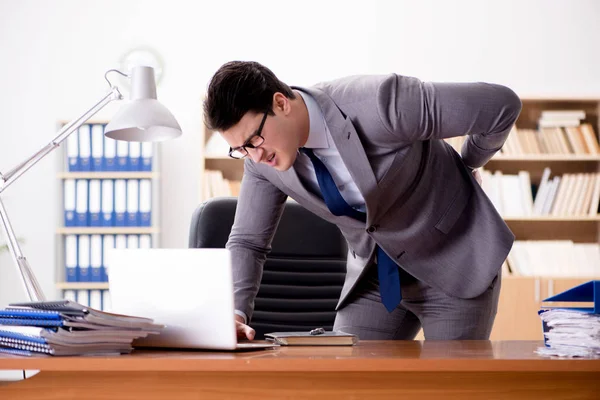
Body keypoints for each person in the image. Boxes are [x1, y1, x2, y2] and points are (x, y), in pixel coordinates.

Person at [203, 61, 522, 341]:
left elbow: (500, 106)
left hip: (454, 258)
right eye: (241, 149)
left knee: (449, 388)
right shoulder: (261, 165)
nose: (255, 155)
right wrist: (235, 313)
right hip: (376, 275)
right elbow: (248, 241)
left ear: (281, 103)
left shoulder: (381, 102)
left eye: (254, 140)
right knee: (346, 381)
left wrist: (468, 165)